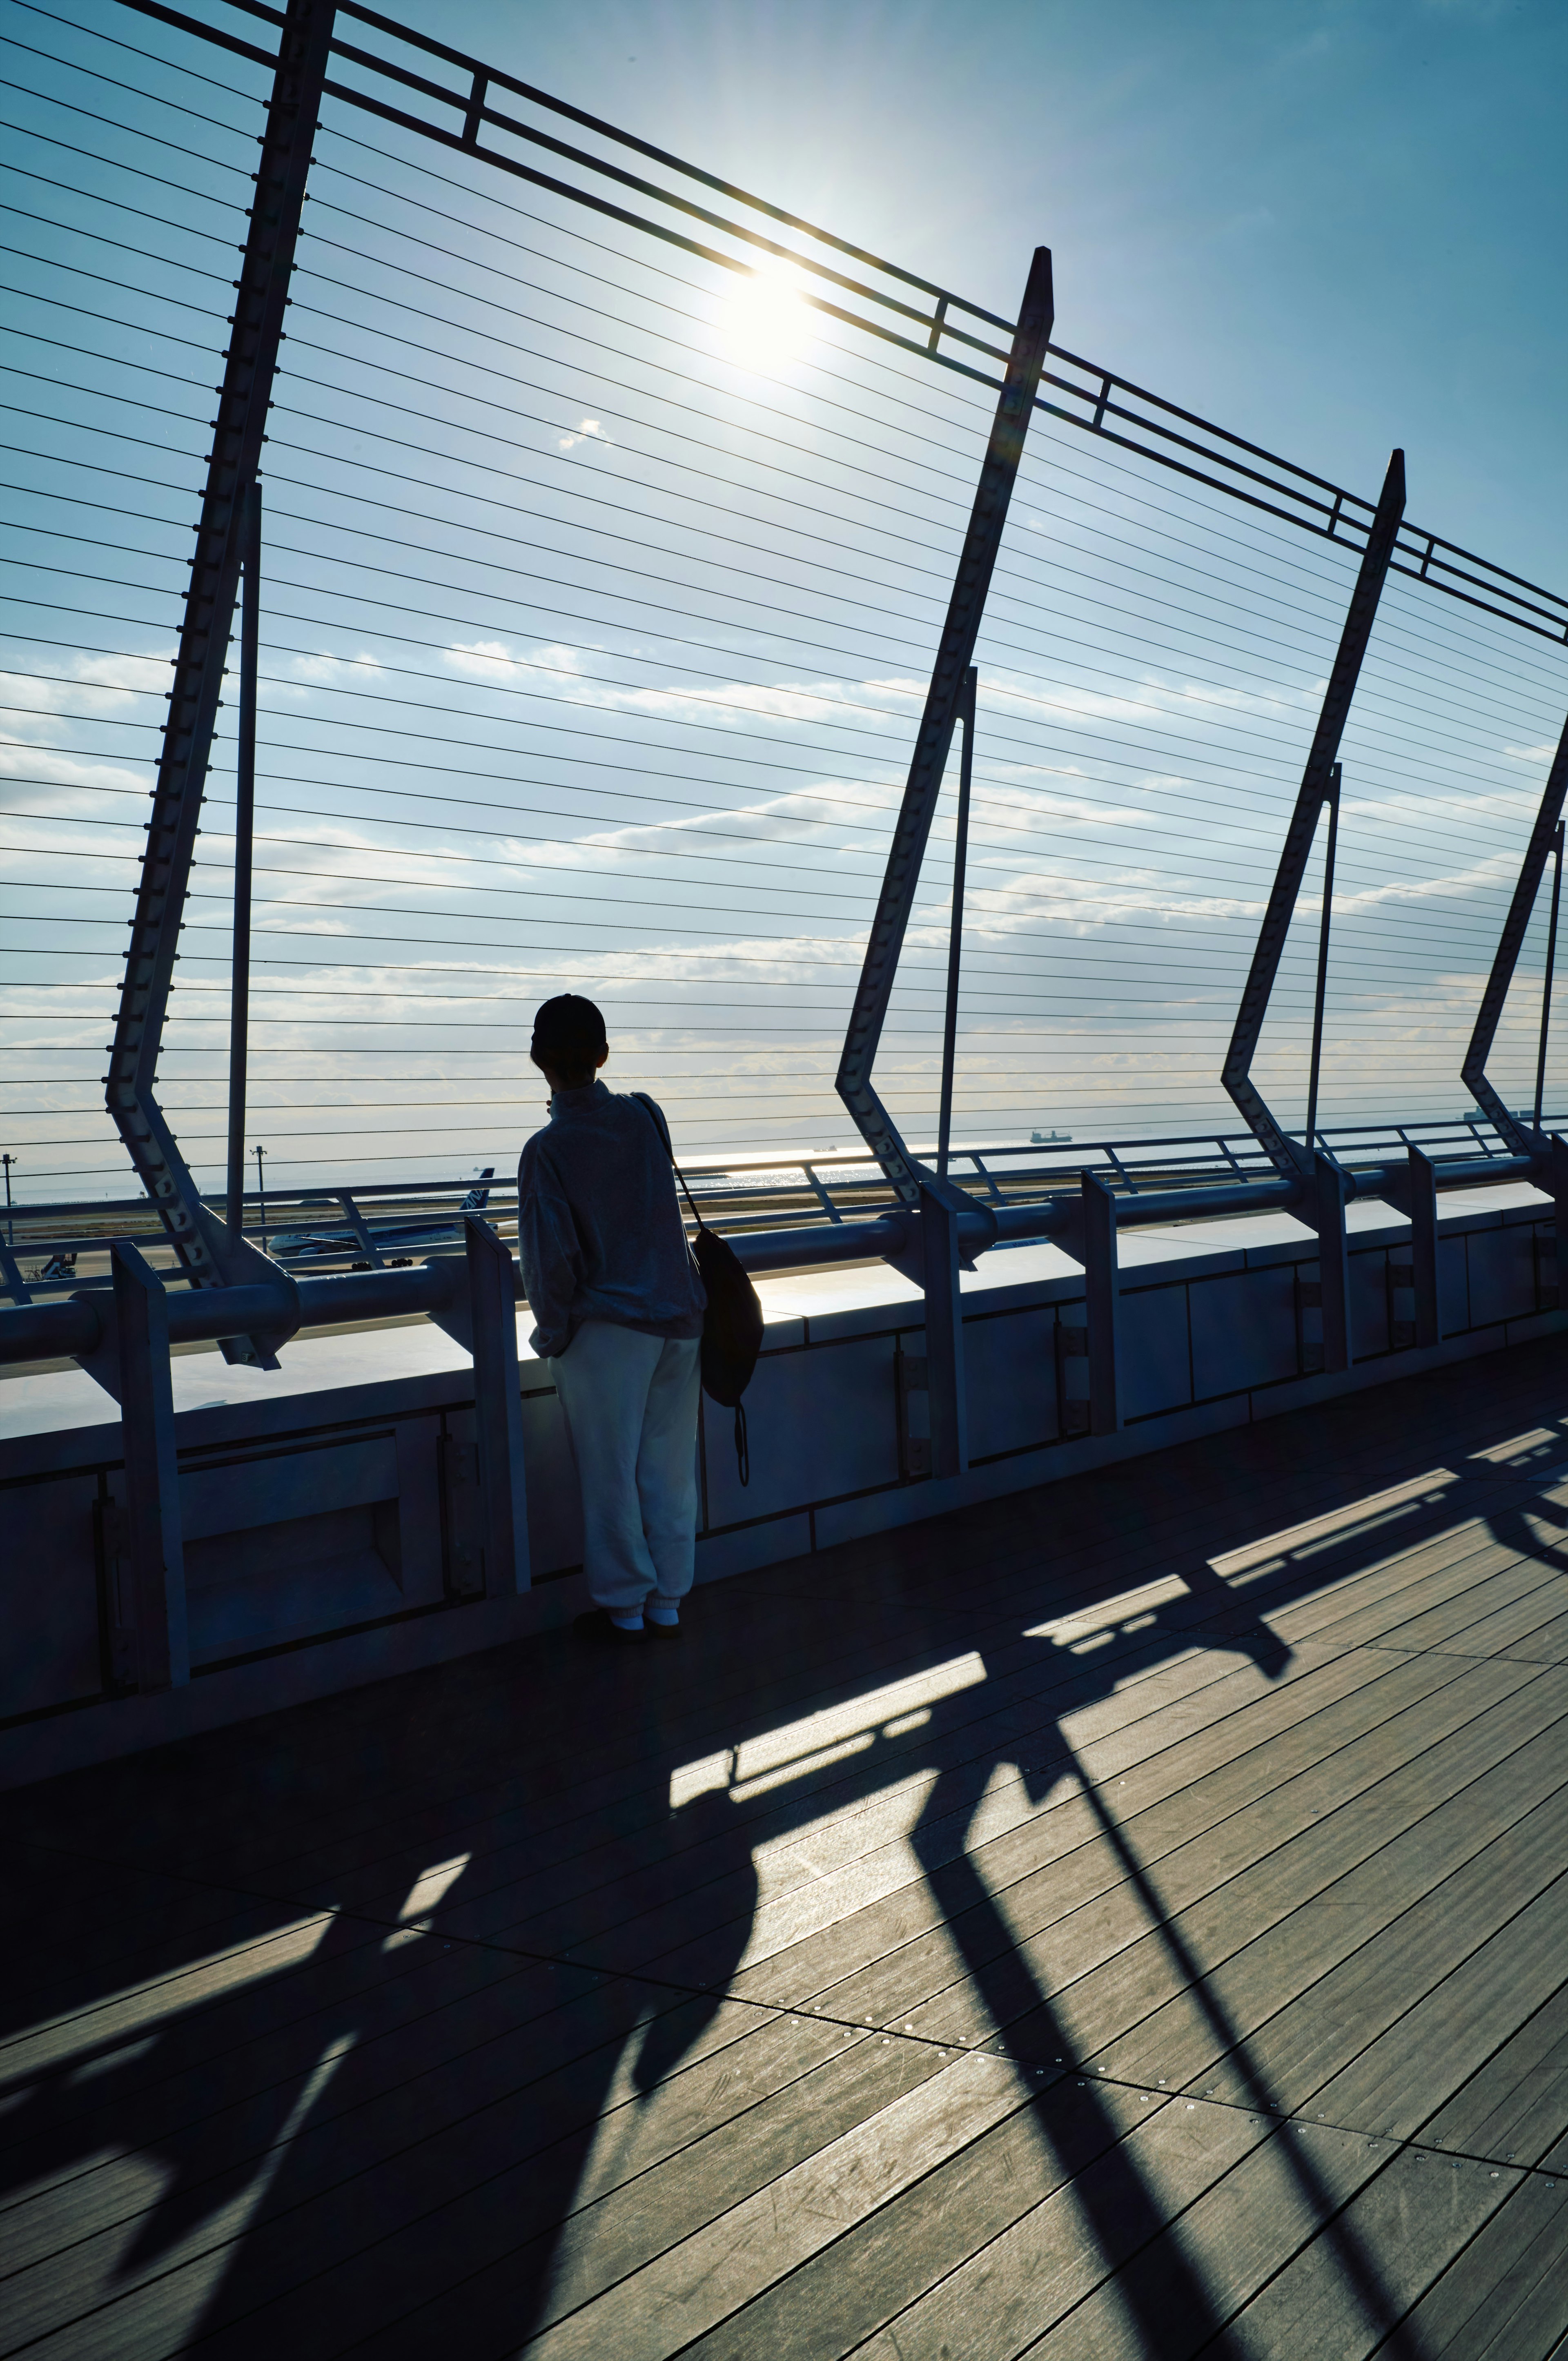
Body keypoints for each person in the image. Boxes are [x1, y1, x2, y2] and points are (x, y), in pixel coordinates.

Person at [516, 994, 707, 1646]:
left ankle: (624, 1609)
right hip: (679, 1318)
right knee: (669, 1467)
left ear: (539, 1059)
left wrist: (555, 1332)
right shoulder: (646, 1115)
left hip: (609, 1331)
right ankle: (669, 1602)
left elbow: (552, 1262)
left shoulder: (549, 1149)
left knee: (610, 1474)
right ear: (604, 1054)